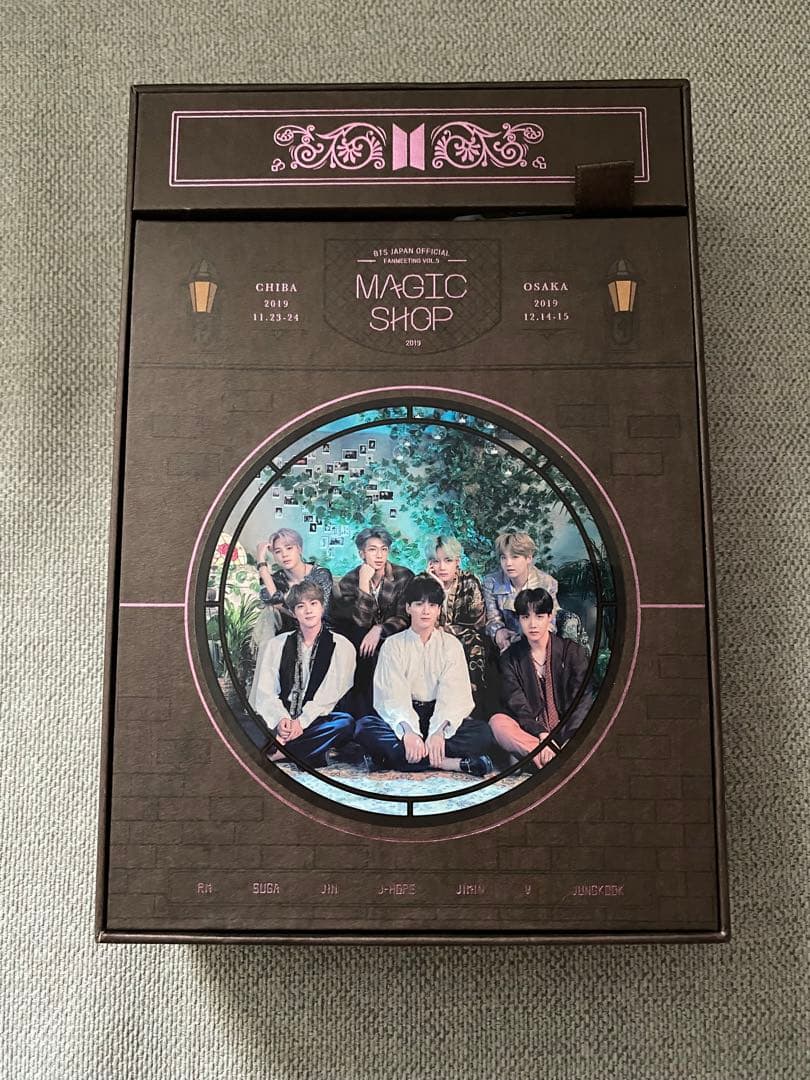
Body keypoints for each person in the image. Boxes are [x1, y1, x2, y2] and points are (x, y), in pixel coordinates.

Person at [355, 575, 494, 776]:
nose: (426, 611)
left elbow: (454, 695)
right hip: (404, 715)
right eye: (419, 604)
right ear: (408, 608)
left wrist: (438, 732)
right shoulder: (393, 645)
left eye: (432, 605)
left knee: (482, 733)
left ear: (439, 609)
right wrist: (408, 732)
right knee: (364, 727)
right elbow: (392, 696)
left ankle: (397, 759)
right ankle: (449, 763)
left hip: (438, 714)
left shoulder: (451, 645)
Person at [251, 581, 355, 768]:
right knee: (243, 722)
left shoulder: (342, 646)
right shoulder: (277, 644)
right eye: (301, 606)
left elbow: (330, 694)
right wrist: (281, 719)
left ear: (322, 607)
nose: (308, 611)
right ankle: (305, 750)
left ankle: (279, 752)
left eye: (313, 603)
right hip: (281, 715)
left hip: (316, 717)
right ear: (293, 613)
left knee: (344, 724)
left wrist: (301, 722)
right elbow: (266, 691)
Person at [489, 587, 592, 770]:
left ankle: (537, 759)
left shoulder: (573, 652)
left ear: (550, 617)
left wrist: (568, 737)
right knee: (497, 722)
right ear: (519, 620)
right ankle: (549, 756)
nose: (532, 624)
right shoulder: (510, 658)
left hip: (567, 730)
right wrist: (542, 734)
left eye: (539, 616)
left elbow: (581, 701)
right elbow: (517, 704)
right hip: (532, 732)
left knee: (589, 726)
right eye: (525, 617)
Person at [331, 526, 414, 712]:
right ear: (362, 553)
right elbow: (360, 622)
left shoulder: (404, 576)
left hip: (394, 636)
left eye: (384, 549)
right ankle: (362, 713)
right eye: (372, 549)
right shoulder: (350, 580)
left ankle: (381, 711)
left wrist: (379, 630)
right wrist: (363, 585)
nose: (379, 555)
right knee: (360, 642)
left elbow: (404, 618)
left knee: (375, 648)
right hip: (361, 640)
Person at [249, 527, 334, 707]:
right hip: (287, 630)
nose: (284, 555)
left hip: (319, 629)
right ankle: (263, 701)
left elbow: (318, 612)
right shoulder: (277, 578)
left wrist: (283, 604)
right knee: (269, 614)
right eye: (278, 551)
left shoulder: (320, 574)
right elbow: (270, 598)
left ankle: (261, 701)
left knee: (273, 613)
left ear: (299, 549)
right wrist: (261, 563)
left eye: (289, 548)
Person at [424, 534, 487, 697]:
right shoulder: (422, 583)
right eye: (436, 561)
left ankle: (473, 698)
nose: (442, 567)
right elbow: (421, 622)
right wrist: (436, 588)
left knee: (474, 643)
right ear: (430, 564)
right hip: (430, 637)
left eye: (448, 560)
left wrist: (445, 630)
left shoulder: (469, 581)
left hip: (464, 637)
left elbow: (477, 623)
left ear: (457, 561)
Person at [481, 530, 560, 653]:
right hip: (505, 644)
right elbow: (492, 618)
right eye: (504, 558)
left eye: (515, 557)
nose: (508, 563)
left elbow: (550, 622)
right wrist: (498, 632)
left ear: (528, 558)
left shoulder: (547, 583)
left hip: (537, 643)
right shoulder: (490, 582)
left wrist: (527, 642)